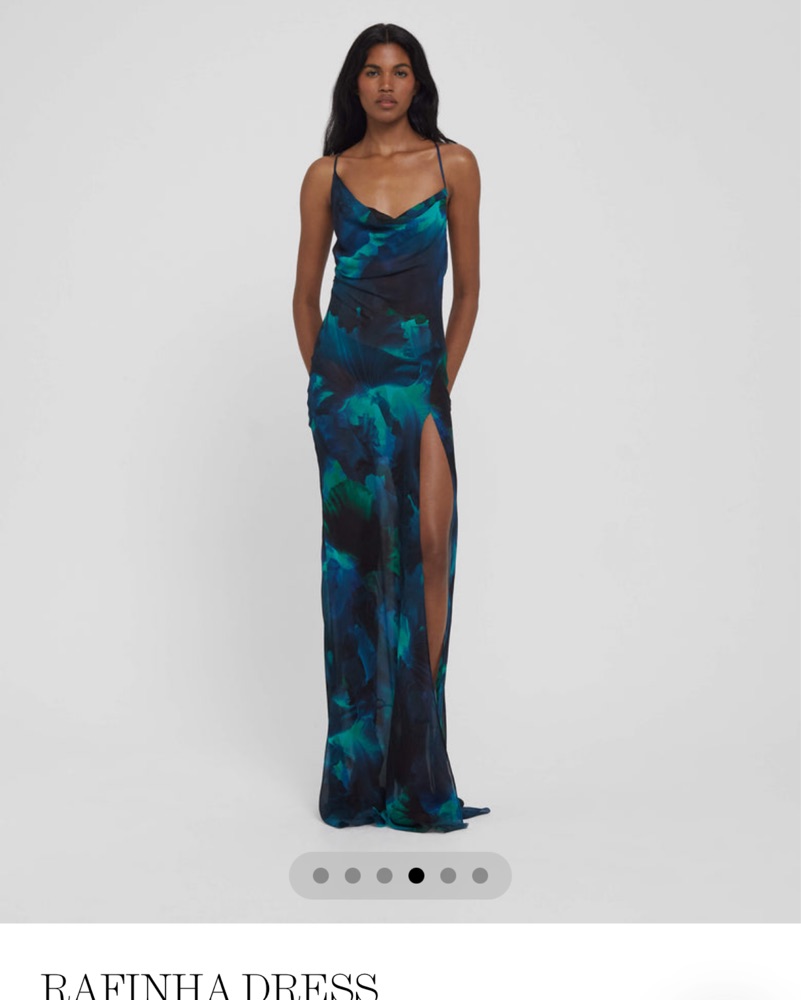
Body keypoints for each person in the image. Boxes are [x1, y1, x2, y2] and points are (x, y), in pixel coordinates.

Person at [293, 23, 489, 832]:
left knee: (431, 545)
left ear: (417, 83)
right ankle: (356, 774)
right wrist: (326, 388)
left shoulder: (454, 165)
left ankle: (418, 763)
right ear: (355, 84)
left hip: (418, 387)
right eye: (372, 71)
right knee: (356, 570)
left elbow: (467, 293)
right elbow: (303, 294)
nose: (385, 84)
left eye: (400, 71)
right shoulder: (327, 175)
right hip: (344, 390)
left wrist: (435, 386)